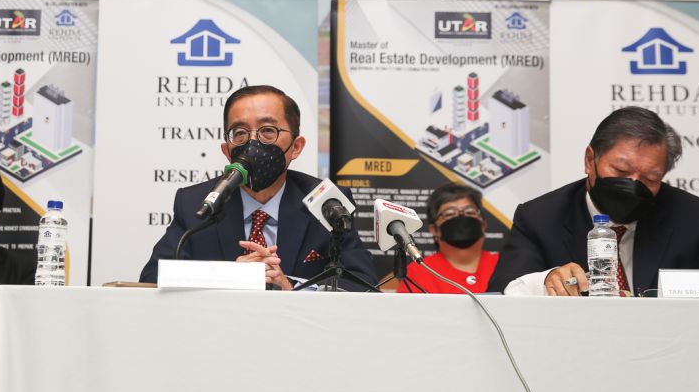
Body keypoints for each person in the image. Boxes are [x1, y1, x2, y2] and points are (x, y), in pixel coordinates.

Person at [141, 85, 375, 290]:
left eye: (267, 131)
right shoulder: (197, 203)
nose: (253, 143)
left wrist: (290, 288)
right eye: (240, 133)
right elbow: (152, 279)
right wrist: (229, 278)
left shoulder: (326, 204)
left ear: (296, 147)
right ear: (226, 151)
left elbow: (362, 283)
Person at [489, 106, 699, 296]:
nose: (633, 184)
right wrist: (545, 281)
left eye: (651, 178)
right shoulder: (541, 217)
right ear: (590, 160)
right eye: (621, 171)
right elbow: (501, 292)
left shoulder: (690, 215)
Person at [395, 183, 498, 294]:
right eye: (449, 214)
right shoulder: (419, 271)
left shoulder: (505, 265)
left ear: (483, 224)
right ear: (434, 229)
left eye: (470, 212)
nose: (461, 217)